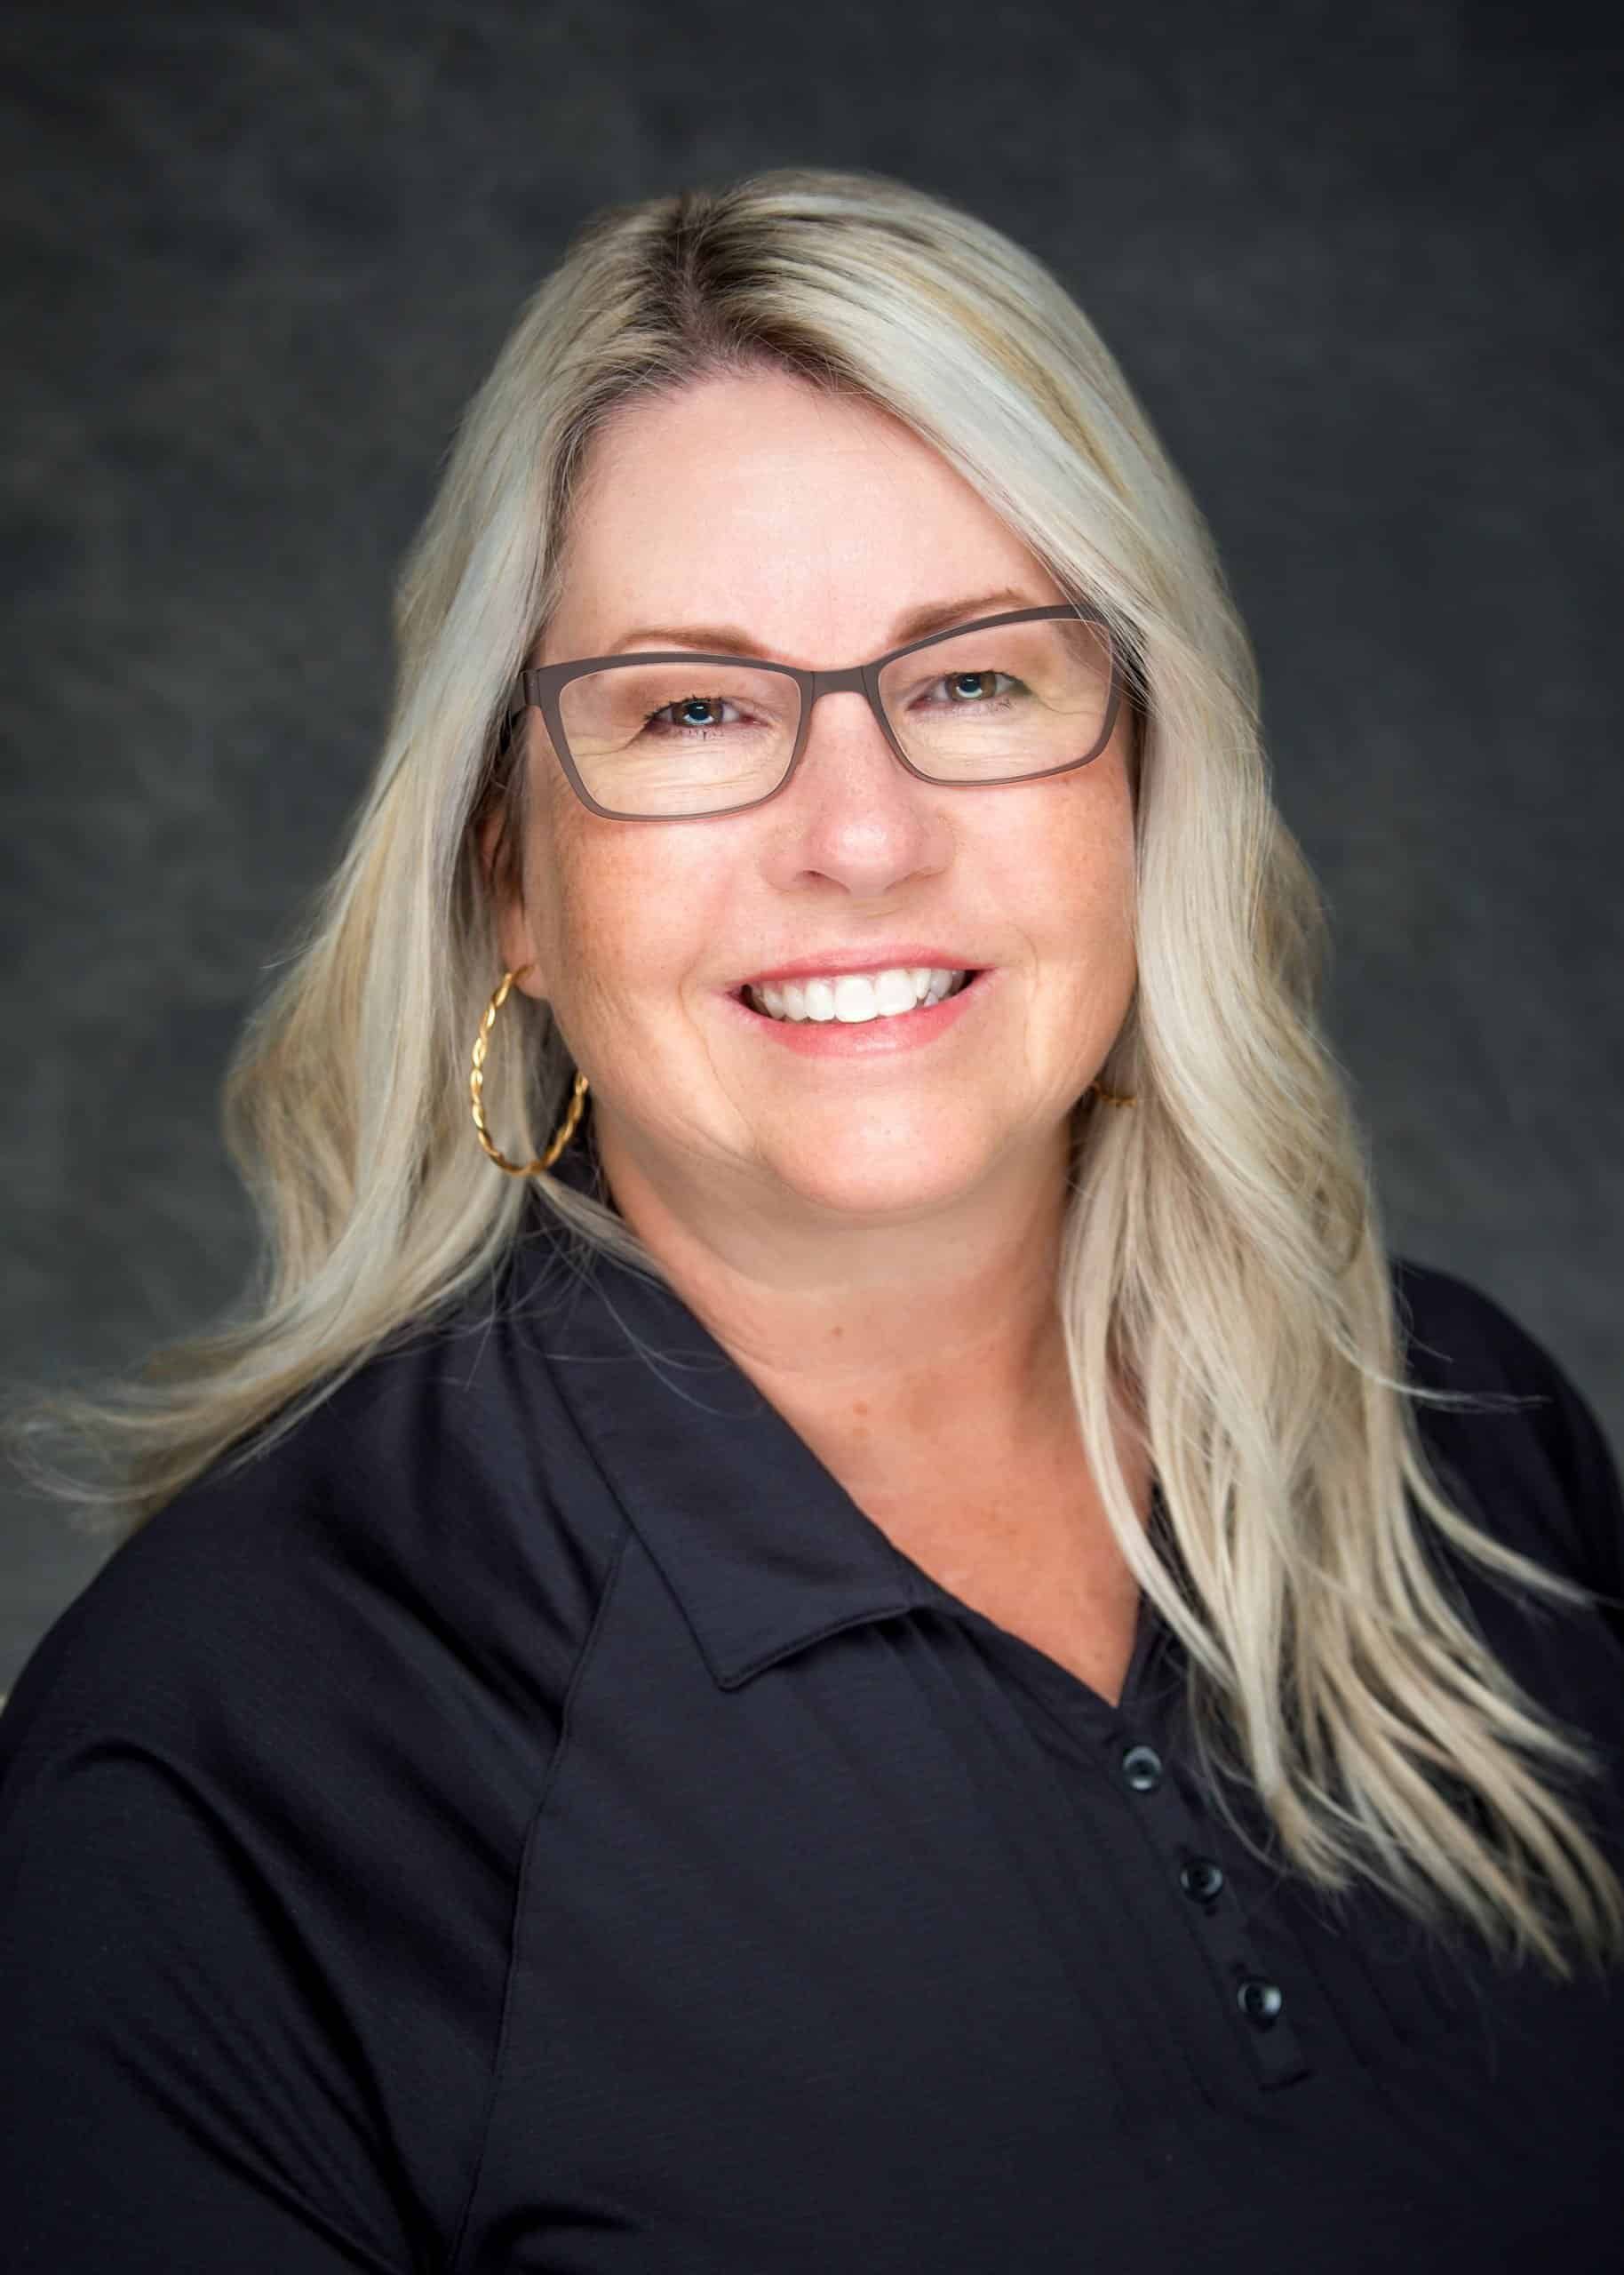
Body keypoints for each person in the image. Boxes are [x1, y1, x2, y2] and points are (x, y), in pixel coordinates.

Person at [2, 167, 1621, 2273]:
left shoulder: (1463, 1433)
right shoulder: (231, 1748)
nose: (856, 836)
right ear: (511, 867)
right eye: (690, 708)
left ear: (1139, 775)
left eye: (972, 678)